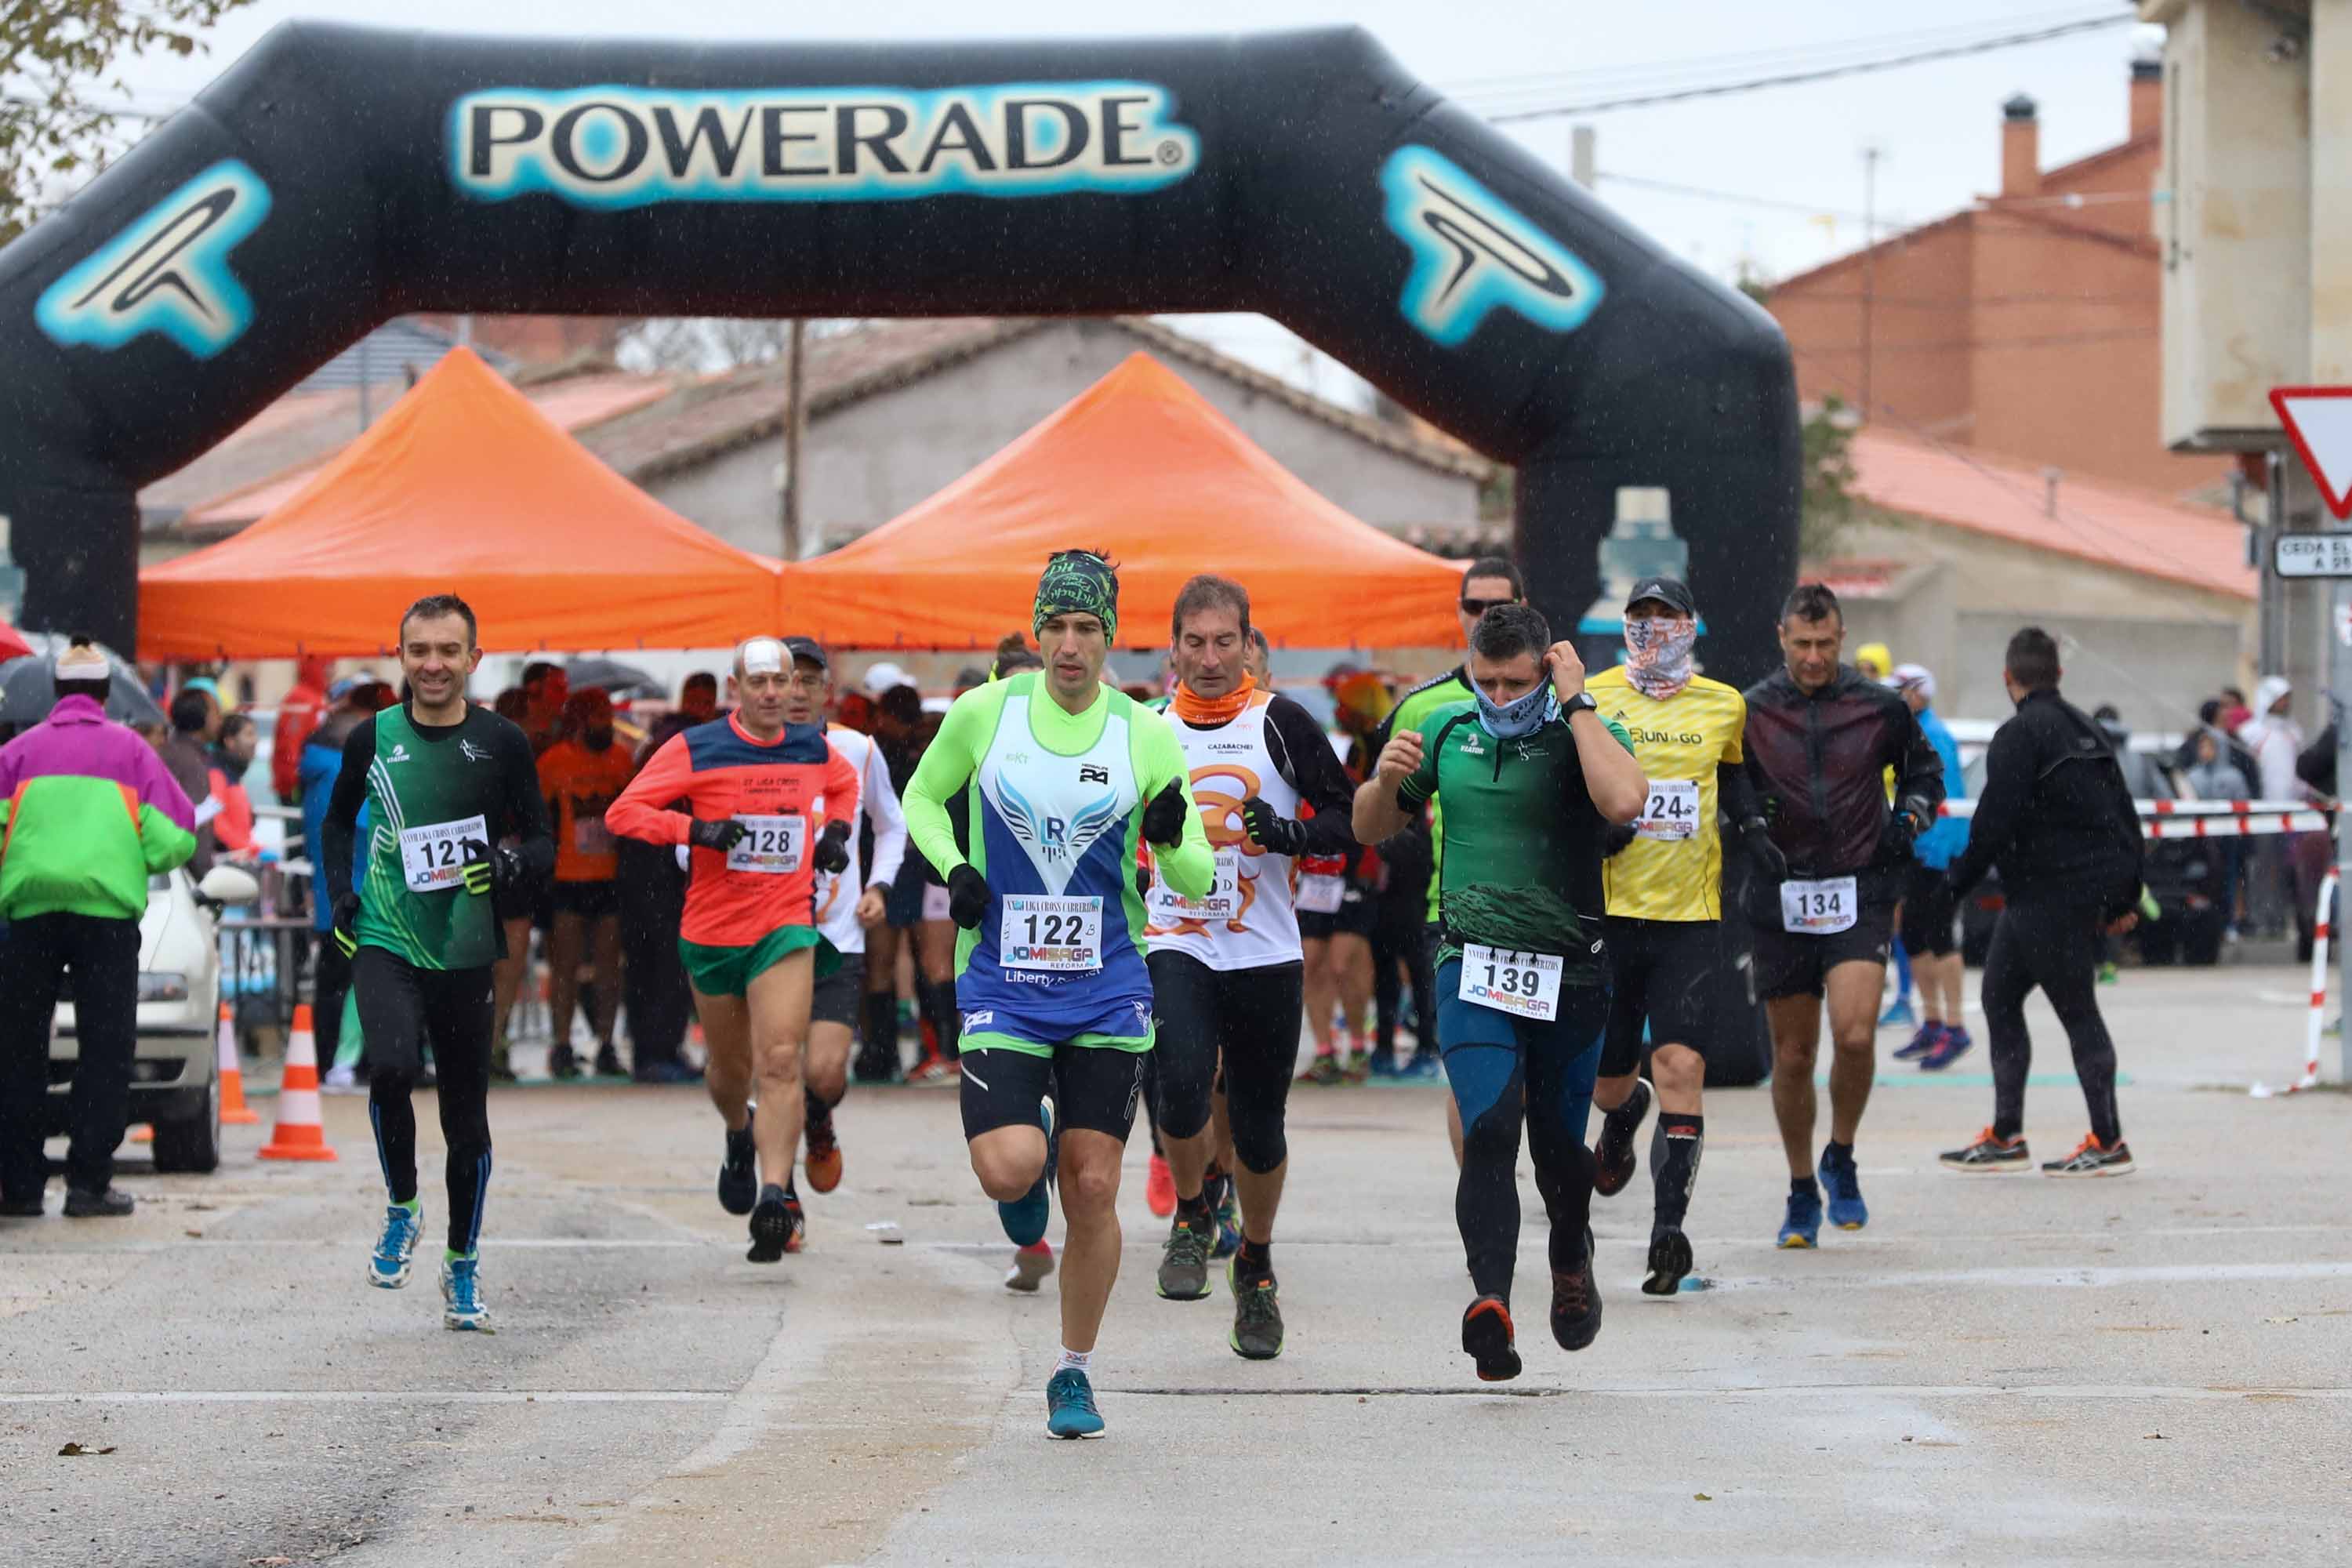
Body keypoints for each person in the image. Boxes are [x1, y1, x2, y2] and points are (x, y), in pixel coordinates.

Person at [902, 550, 1212, 1439]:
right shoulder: (985, 712)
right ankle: (1022, 1149)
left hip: (1110, 985)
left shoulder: (1142, 732)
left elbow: (1190, 875)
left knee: (1092, 1183)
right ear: (1036, 629)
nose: (1070, 646)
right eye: (1057, 626)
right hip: (1003, 976)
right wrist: (955, 866)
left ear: (1111, 638)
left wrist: (1171, 831)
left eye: (1088, 629)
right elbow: (923, 798)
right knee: (1010, 1166)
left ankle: (1073, 1371)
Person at [1355, 603, 1644, 1380]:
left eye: (1517, 683)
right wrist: (1383, 780)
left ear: (1546, 669)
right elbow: (1369, 828)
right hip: (1472, 964)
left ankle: (1569, 1251)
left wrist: (1578, 701)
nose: (1500, 696)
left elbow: (1624, 803)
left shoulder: (1579, 727)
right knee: (1488, 1126)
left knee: (1557, 1152)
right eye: (1486, 680)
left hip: (1570, 972)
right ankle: (1490, 1302)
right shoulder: (1448, 730)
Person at [321, 596, 553, 1330]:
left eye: (448, 651)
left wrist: (512, 863)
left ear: (474, 660)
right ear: (400, 657)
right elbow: (335, 821)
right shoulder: (372, 738)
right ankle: (402, 1208)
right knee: (389, 1068)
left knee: (466, 1122)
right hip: (386, 935)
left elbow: (542, 841)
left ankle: (461, 1264)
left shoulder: (503, 742)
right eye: (419, 650)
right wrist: (341, 896)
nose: (433, 664)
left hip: (463, 947)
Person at [1142, 575, 1358, 1359]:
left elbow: (1344, 814)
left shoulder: (1281, 720)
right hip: (1176, 937)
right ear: (1172, 647)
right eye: (1194, 642)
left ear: (1247, 645)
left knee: (1262, 1129)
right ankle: (1194, 1208)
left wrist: (1289, 833)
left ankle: (1257, 1265)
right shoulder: (1147, 725)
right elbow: (1112, 829)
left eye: (1223, 641)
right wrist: (1144, 847)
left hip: (1264, 948)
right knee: (1181, 1080)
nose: (1208, 657)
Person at [608, 635, 859, 1265]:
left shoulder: (811, 746)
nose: (776, 694)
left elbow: (845, 784)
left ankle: (775, 1199)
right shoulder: (696, 746)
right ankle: (736, 1132)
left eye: (785, 683)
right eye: (761, 683)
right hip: (714, 931)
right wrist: (696, 830)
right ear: (736, 689)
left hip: (785, 924)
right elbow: (624, 812)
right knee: (728, 1073)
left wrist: (835, 833)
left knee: (779, 1059)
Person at [1583, 578, 1772, 1297]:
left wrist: (1757, 836)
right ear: (1625, 626)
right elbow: (1577, 785)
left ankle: (1670, 1230)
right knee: (1610, 1085)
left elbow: (1738, 780)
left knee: (1681, 1068)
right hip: (1610, 916)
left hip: (1691, 917)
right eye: (1641, 618)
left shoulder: (1725, 704)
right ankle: (1625, 1116)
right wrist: (1596, 831)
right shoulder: (1595, 698)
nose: (1654, 631)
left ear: (1692, 626)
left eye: (1667, 619)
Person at [1743, 583, 1944, 1249]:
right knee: (1794, 1056)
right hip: (1783, 895)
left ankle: (1842, 1152)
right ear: (1781, 637)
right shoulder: (1750, 710)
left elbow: (1926, 774)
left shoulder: (1879, 706)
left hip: (1859, 886)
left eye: (1825, 644)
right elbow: (1724, 787)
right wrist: (1747, 830)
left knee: (1855, 1036)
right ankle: (1801, 1186)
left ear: (1842, 637)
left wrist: (1910, 815)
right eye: (1801, 644)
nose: (1813, 657)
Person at [0, 641, 198, 1218]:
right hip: (107, 923)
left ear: (58, 693)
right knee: (106, 1051)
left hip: (30, 919)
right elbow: (177, 837)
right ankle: (89, 1185)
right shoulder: (132, 753)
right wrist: (122, 856)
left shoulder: (16, 754)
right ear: (106, 695)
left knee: (19, 1052)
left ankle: (19, 1187)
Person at [1940, 628, 2143, 1176]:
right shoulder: (2090, 731)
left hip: (2047, 898)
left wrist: (1950, 893)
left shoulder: (2019, 735)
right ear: (2059, 674)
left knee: (2079, 1013)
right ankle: (2007, 1134)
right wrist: (2127, 895)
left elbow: (1989, 827)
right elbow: (2126, 820)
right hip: (2062, 899)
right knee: (2000, 997)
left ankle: (2108, 1139)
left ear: (2009, 678)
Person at [1372, 557, 1526, 1104]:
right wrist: (1399, 831)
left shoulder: (1562, 701)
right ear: (1458, 614)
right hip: (1449, 912)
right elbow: (1373, 800)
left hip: (1544, 920)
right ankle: (1486, 1185)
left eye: (1499, 606)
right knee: (1477, 1084)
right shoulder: (1421, 705)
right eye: (1474, 607)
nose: (1486, 617)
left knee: (1543, 1086)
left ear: (1523, 610)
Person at [780, 636, 906, 1197]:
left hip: (837, 935)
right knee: (775, 1068)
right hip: (765, 938)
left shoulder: (858, 749)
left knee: (825, 1073)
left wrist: (878, 885)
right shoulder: (735, 752)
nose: (798, 692)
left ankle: (818, 1118)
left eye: (810, 680)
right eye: (786, 679)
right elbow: (690, 838)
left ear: (828, 691)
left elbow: (892, 824)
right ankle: (777, 1191)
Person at [616, 674, 720, 1085]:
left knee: (651, 966)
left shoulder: (661, 739)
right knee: (665, 964)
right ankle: (657, 1050)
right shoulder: (686, 741)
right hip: (660, 866)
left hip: (651, 864)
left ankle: (654, 1049)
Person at [535, 688, 637, 1079]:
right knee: (565, 966)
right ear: (578, 720)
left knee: (610, 966)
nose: (607, 724)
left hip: (609, 876)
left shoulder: (621, 758)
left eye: (609, 715)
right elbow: (537, 814)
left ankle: (607, 1043)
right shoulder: (554, 762)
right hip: (566, 876)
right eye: (598, 716)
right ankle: (561, 1044)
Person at [1298, 664, 1387, 1084]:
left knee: (1342, 961)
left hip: (1355, 868)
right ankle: (1325, 1052)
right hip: (1315, 872)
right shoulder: (1322, 745)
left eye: (1344, 702)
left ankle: (1356, 1046)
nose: (1338, 710)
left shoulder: (1372, 746)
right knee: (1311, 962)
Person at [1886, 666, 1975, 1071]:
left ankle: (1955, 1026)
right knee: (1914, 935)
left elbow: (1948, 798)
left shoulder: (1934, 735)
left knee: (1940, 938)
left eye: (1902, 690)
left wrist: (1938, 852)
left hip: (1935, 852)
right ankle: (1934, 1021)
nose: (1897, 696)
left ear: (1920, 692)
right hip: (1916, 849)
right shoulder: (1908, 730)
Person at [304, 678, 377, 1089]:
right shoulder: (348, 773)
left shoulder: (317, 767)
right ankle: (344, 1062)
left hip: (329, 893)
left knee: (333, 983)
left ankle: (328, 1060)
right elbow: (370, 833)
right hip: (358, 894)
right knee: (354, 983)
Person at [160, 688, 220, 877]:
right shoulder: (191, 763)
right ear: (202, 718)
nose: (220, 719)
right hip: (182, 878)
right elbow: (196, 824)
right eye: (216, 712)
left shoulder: (167, 750)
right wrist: (205, 879)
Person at [274, 655, 336, 808]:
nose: (333, 671)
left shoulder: (316, 697)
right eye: (329, 665)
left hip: (305, 781)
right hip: (299, 785)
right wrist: (295, 779)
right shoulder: (301, 699)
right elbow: (290, 743)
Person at [208, 712, 261, 862]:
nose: (255, 740)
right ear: (230, 742)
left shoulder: (233, 773)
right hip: (228, 863)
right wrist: (248, 847)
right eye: (249, 734)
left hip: (238, 859)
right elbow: (216, 823)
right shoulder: (217, 773)